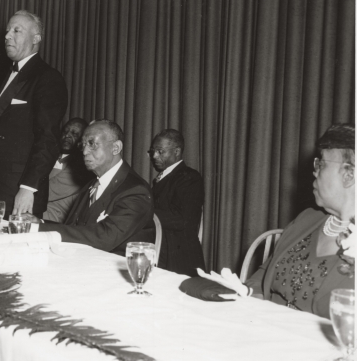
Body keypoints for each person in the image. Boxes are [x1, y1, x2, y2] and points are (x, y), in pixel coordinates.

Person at [181, 124, 355, 319]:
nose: (314, 171)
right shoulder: (307, 219)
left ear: (349, 175)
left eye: (321, 163)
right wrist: (245, 292)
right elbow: (263, 277)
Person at [0, 10, 68, 219]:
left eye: (17, 30)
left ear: (36, 39)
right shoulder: (6, 75)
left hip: (17, 194)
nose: (7, 35)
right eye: (7, 31)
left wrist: (28, 188)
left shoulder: (47, 78)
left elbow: (49, 139)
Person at [33, 120, 154, 255]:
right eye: (83, 145)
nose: (84, 151)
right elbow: (74, 229)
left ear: (116, 148)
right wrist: (40, 222)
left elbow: (103, 237)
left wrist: (39, 229)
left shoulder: (135, 191)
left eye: (92, 144)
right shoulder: (91, 185)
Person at [148, 129, 205, 276]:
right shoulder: (164, 177)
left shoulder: (190, 178)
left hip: (178, 257)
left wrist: (142, 211)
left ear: (177, 151)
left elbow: (184, 220)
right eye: (153, 151)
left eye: (160, 151)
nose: (154, 156)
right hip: (162, 247)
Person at [42, 118, 94, 222]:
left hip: (50, 220)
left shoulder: (80, 166)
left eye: (74, 134)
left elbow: (46, 191)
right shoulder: (49, 156)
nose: (67, 136)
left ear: (82, 140)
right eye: (65, 132)